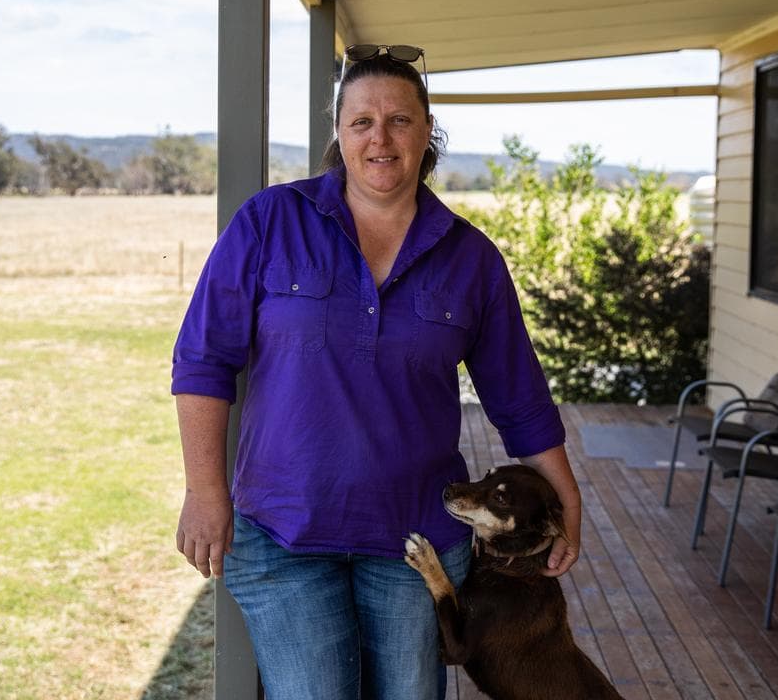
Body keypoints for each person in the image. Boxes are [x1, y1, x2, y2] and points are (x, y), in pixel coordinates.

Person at [171, 44, 584, 700]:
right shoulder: (271, 222)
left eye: (399, 120)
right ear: (339, 134)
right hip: (284, 532)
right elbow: (202, 360)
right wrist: (204, 492)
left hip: (414, 537)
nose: (380, 137)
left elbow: (519, 396)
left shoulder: (471, 258)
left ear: (427, 134)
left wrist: (567, 500)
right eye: (361, 121)